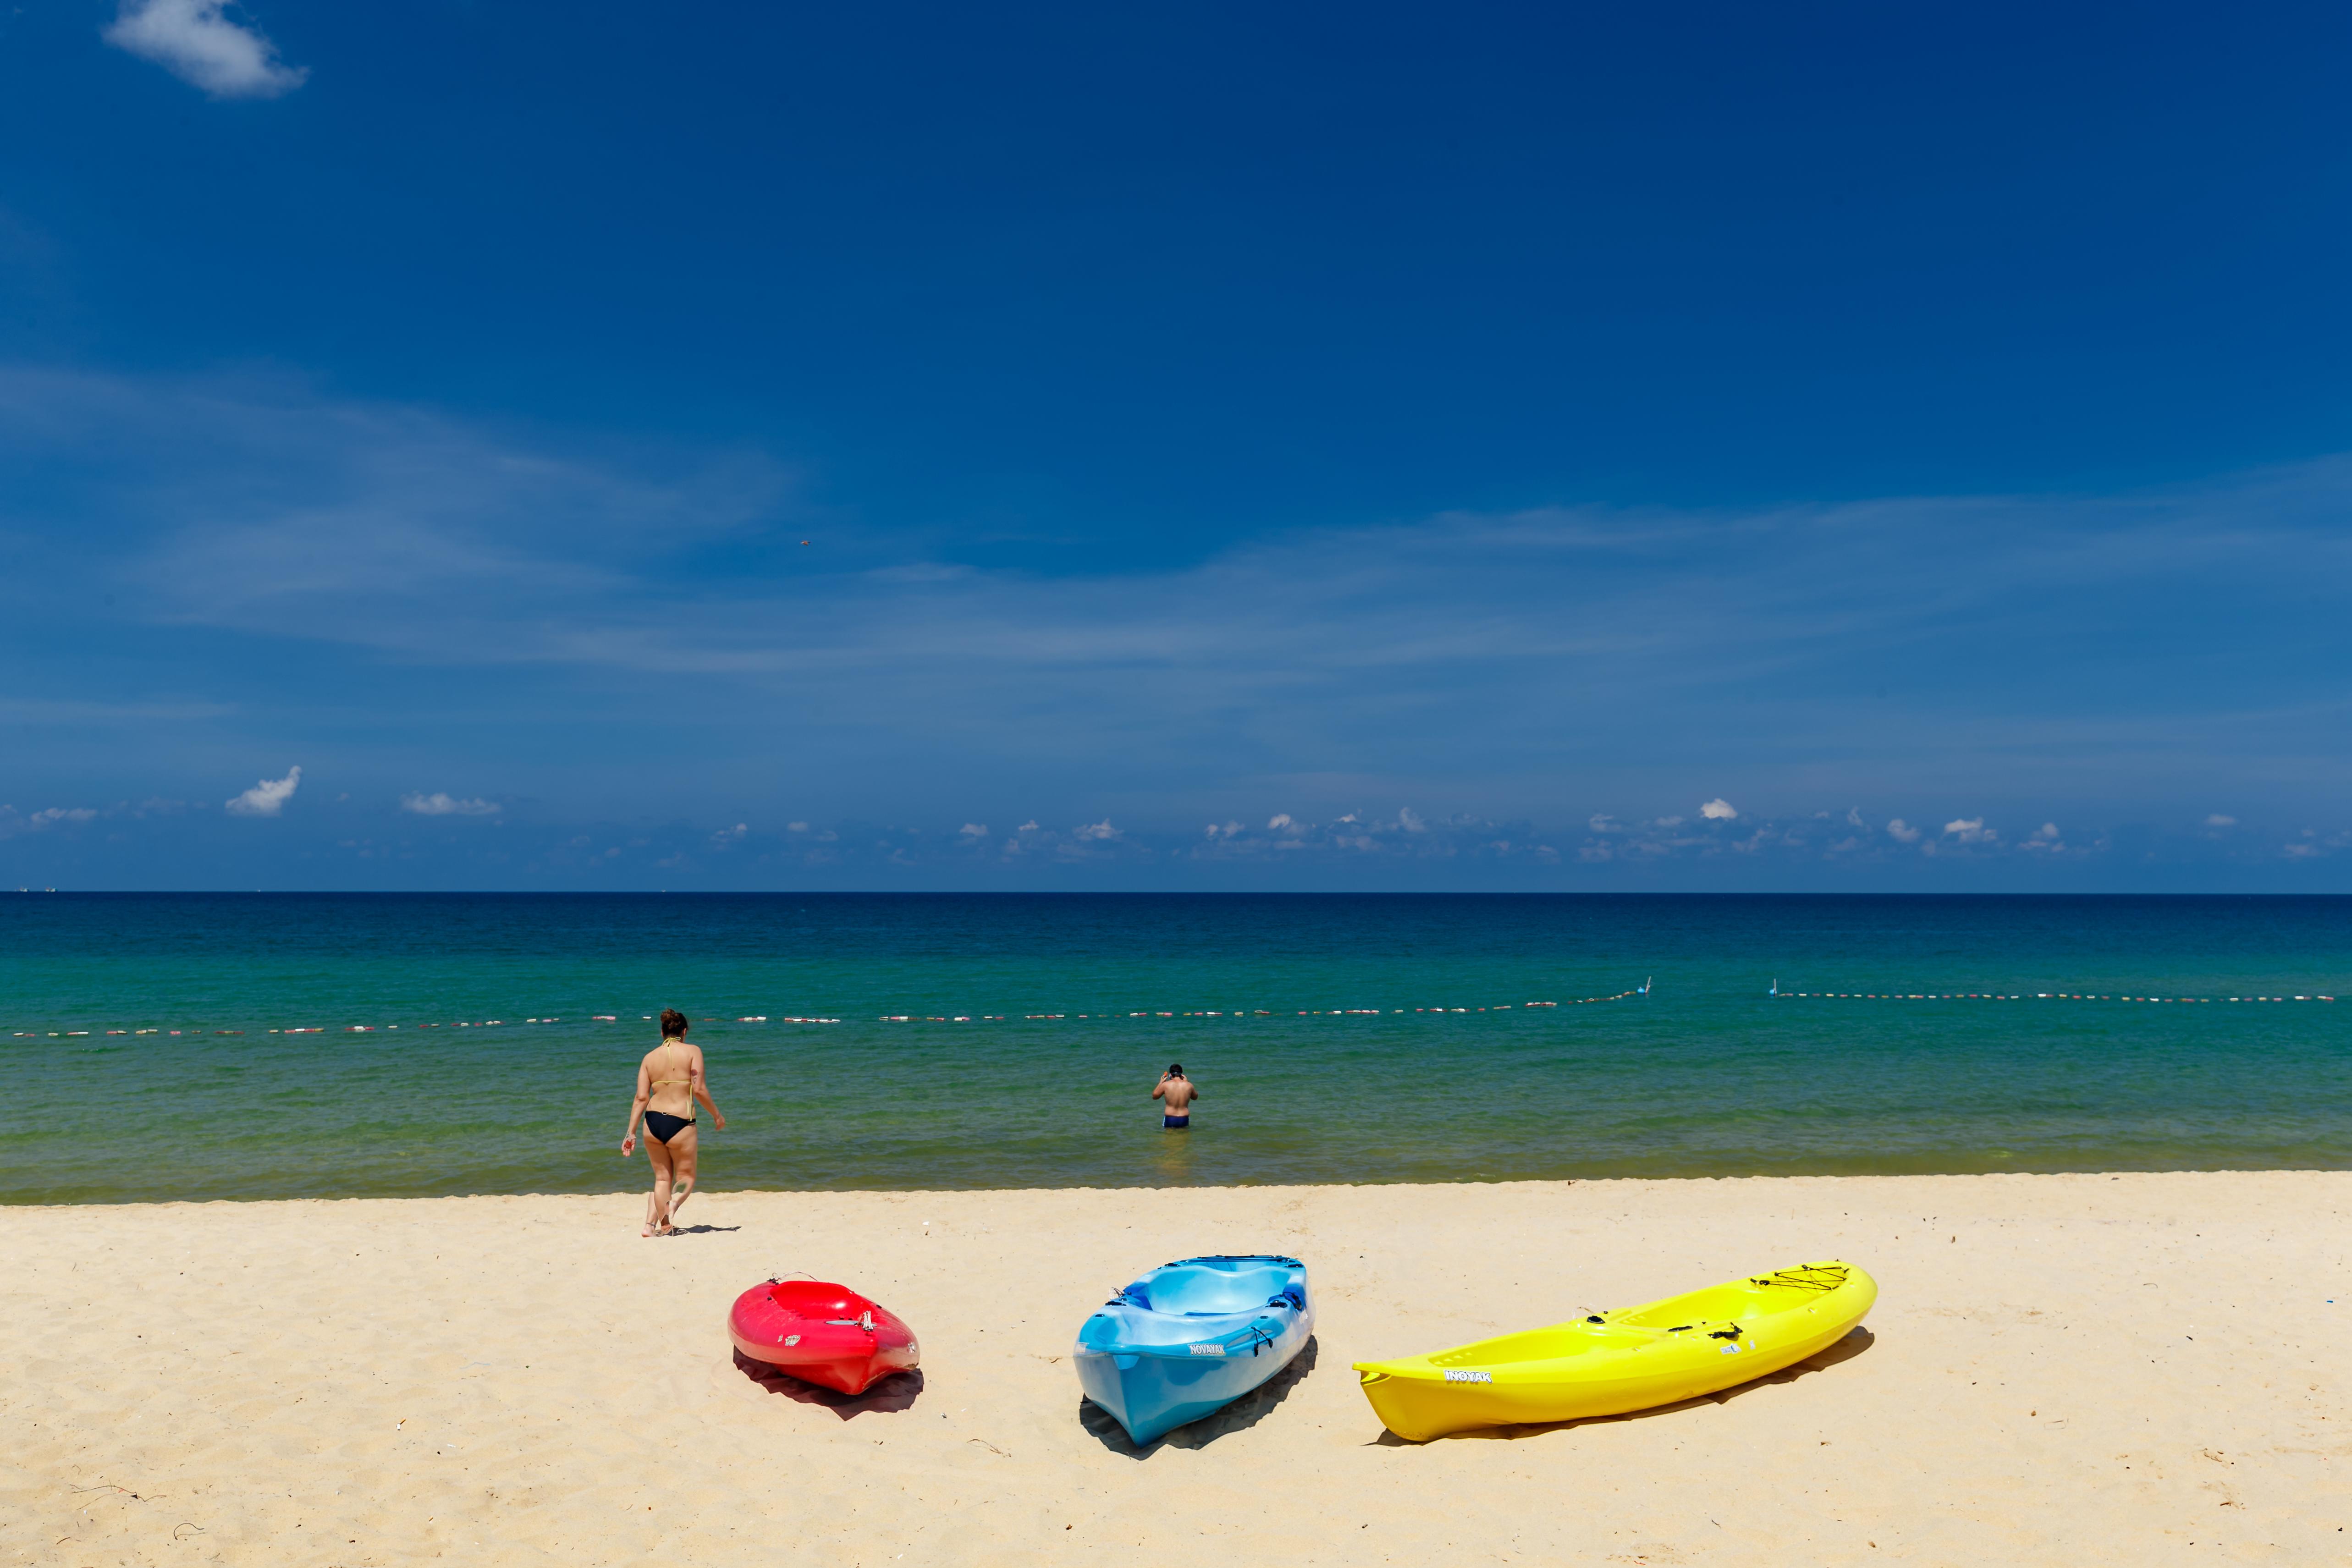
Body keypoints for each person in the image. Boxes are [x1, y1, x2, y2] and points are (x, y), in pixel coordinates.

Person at [620, 1008, 725, 1237]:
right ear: (684, 1031)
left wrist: (631, 1133)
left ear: (662, 1033)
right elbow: (699, 1089)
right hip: (681, 1122)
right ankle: (674, 1205)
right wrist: (717, 1115)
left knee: (661, 1178)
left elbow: (641, 1098)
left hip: (652, 1122)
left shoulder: (649, 1058)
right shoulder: (693, 1051)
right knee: (687, 1178)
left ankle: (661, 1227)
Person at [1151, 1063, 1198, 1130]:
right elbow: (1195, 1098)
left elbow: (1155, 1096)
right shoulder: (1189, 1085)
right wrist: (1187, 1082)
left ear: (1171, 1075)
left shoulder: (1166, 1085)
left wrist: (1161, 1082)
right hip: (1184, 1119)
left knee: (1169, 1140)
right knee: (1183, 1139)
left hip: (1170, 1119)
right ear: (1182, 1075)